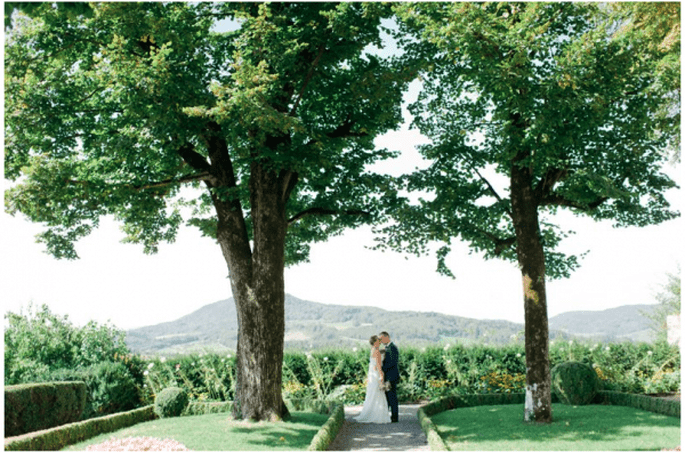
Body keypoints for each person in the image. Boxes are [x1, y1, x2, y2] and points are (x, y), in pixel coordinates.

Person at [353, 335, 391, 423]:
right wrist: (381, 376)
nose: (380, 342)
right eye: (378, 341)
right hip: (376, 374)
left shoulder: (372, 350)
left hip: (372, 375)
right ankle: (377, 415)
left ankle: (371, 412)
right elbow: (378, 365)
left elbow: (374, 364)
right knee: (378, 392)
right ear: (375, 342)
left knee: (373, 393)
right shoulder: (377, 351)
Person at [380, 331, 400, 422]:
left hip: (391, 377)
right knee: (388, 397)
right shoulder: (387, 348)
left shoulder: (393, 348)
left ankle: (395, 417)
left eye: (381, 339)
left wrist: (381, 368)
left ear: (386, 337)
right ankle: (390, 416)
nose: (381, 341)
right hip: (388, 376)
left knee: (392, 397)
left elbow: (392, 363)